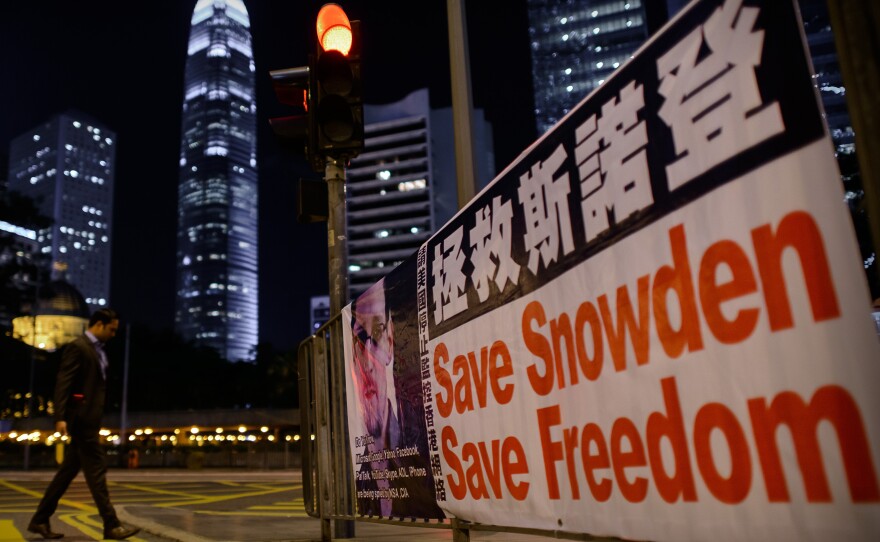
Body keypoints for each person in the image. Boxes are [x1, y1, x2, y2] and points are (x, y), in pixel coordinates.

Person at [28, 308, 140, 540]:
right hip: (81, 420)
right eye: (111, 329)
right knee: (96, 471)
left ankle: (39, 520)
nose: (113, 334)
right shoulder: (78, 347)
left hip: (90, 418)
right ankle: (111, 524)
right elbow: (64, 383)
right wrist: (60, 416)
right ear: (98, 324)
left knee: (67, 473)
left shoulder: (98, 350)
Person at [349, 278, 443, 519]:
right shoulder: (360, 477)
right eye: (360, 338)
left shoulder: (424, 458)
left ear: (390, 339)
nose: (369, 362)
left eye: (377, 333)